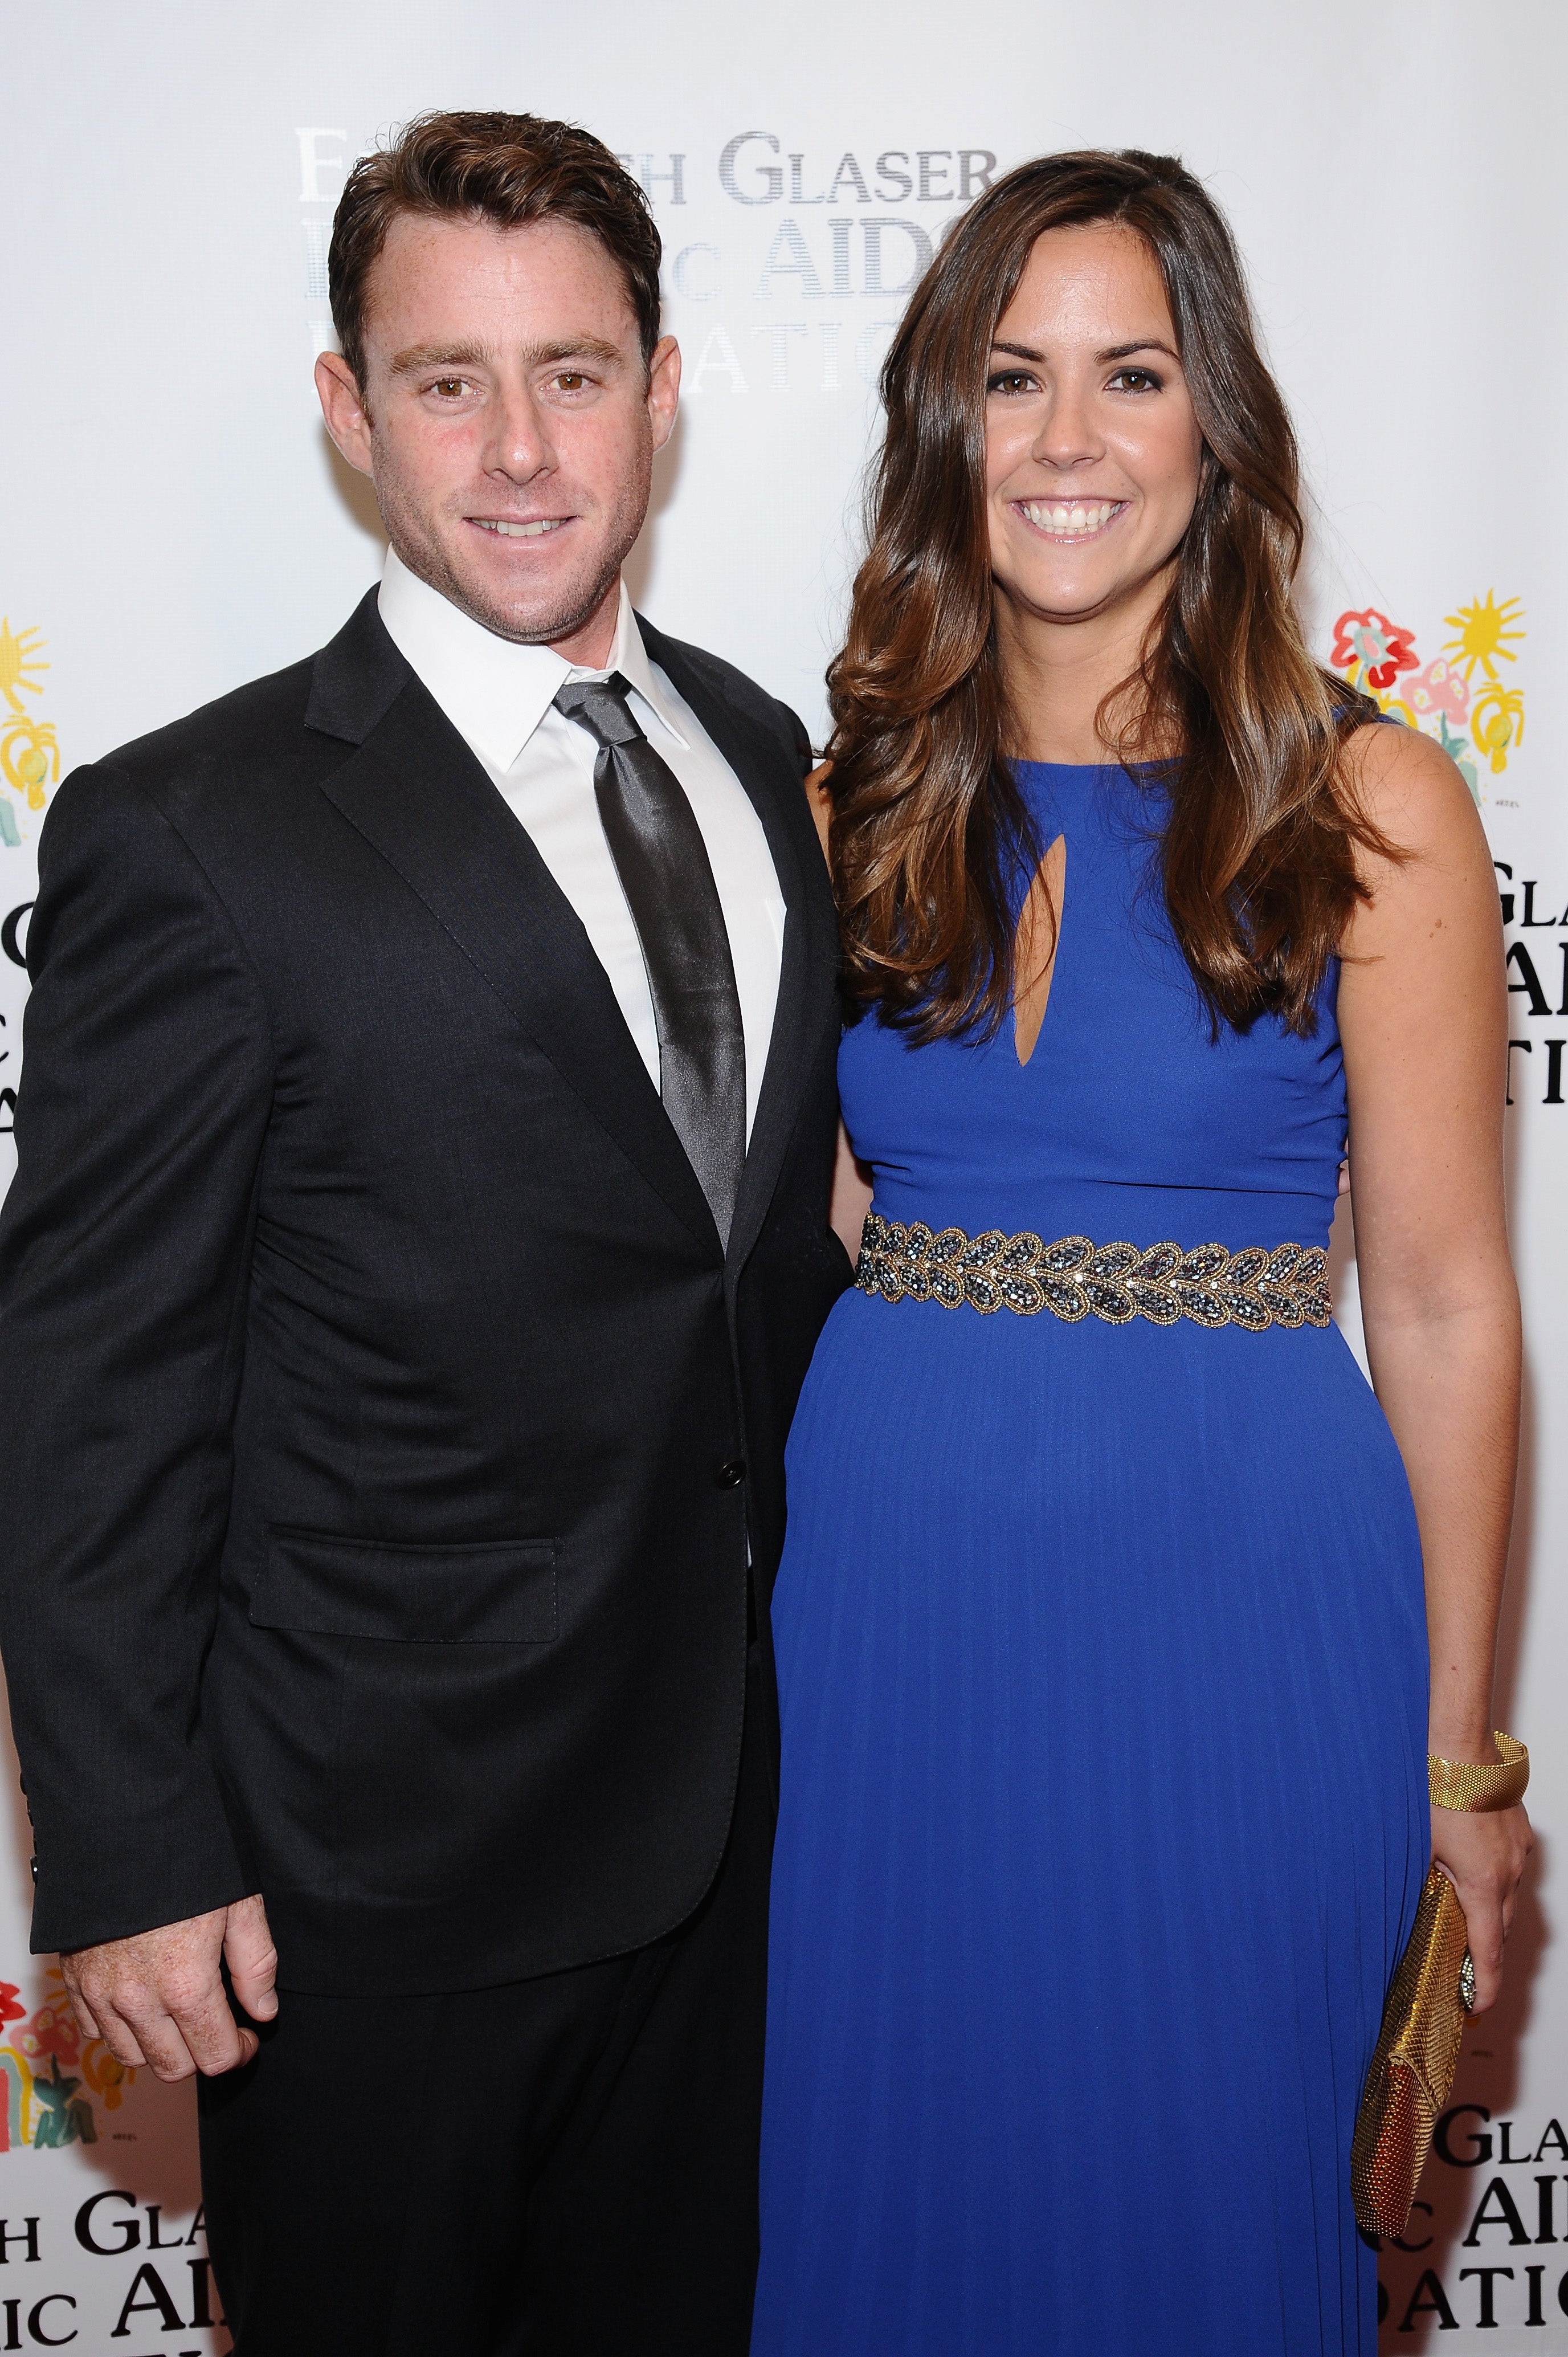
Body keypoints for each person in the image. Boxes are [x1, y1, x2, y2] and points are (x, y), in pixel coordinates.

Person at [0, 111, 848, 2356]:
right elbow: (92, 1380)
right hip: (369, 1879)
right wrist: (128, 1844)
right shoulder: (194, 829)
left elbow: (743, 1255)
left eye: (570, 371)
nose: (517, 448)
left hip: (729, 1828)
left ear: (661, 388)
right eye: (445, 379)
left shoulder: (764, 756)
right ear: (345, 408)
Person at [750, 149, 1533, 2356]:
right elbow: (792, 1247)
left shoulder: (1371, 808)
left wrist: (1465, 1754)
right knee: (884, 2182)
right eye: (1011, 379)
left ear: (1217, 428)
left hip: (1237, 1595)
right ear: (944, 426)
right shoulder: (842, 809)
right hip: (889, 1613)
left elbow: (1454, 1301)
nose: (1067, 440)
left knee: (1200, 2187)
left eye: (1130, 374)